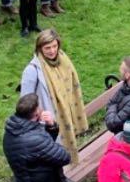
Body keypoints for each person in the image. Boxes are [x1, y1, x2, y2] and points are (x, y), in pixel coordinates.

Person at [20, 29, 88, 162]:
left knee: (62, 153)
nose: (52, 51)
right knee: (53, 154)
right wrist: (38, 116)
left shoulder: (63, 59)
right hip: (47, 120)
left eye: (54, 46)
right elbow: (25, 102)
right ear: (39, 48)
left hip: (65, 115)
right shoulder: (31, 70)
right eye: (47, 48)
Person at [2, 93, 72, 182]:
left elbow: (42, 147)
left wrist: (51, 126)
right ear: (36, 113)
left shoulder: (12, 131)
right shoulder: (34, 139)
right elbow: (64, 157)